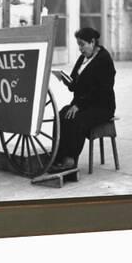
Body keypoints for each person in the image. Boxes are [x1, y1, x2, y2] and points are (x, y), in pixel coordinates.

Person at [50, 27, 116, 172]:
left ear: (92, 42)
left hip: (101, 106)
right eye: (78, 45)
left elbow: (102, 91)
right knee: (61, 116)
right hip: (82, 103)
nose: (80, 49)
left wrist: (79, 105)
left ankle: (70, 160)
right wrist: (67, 81)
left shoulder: (104, 60)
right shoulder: (83, 57)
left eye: (82, 44)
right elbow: (74, 84)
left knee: (76, 119)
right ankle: (57, 156)